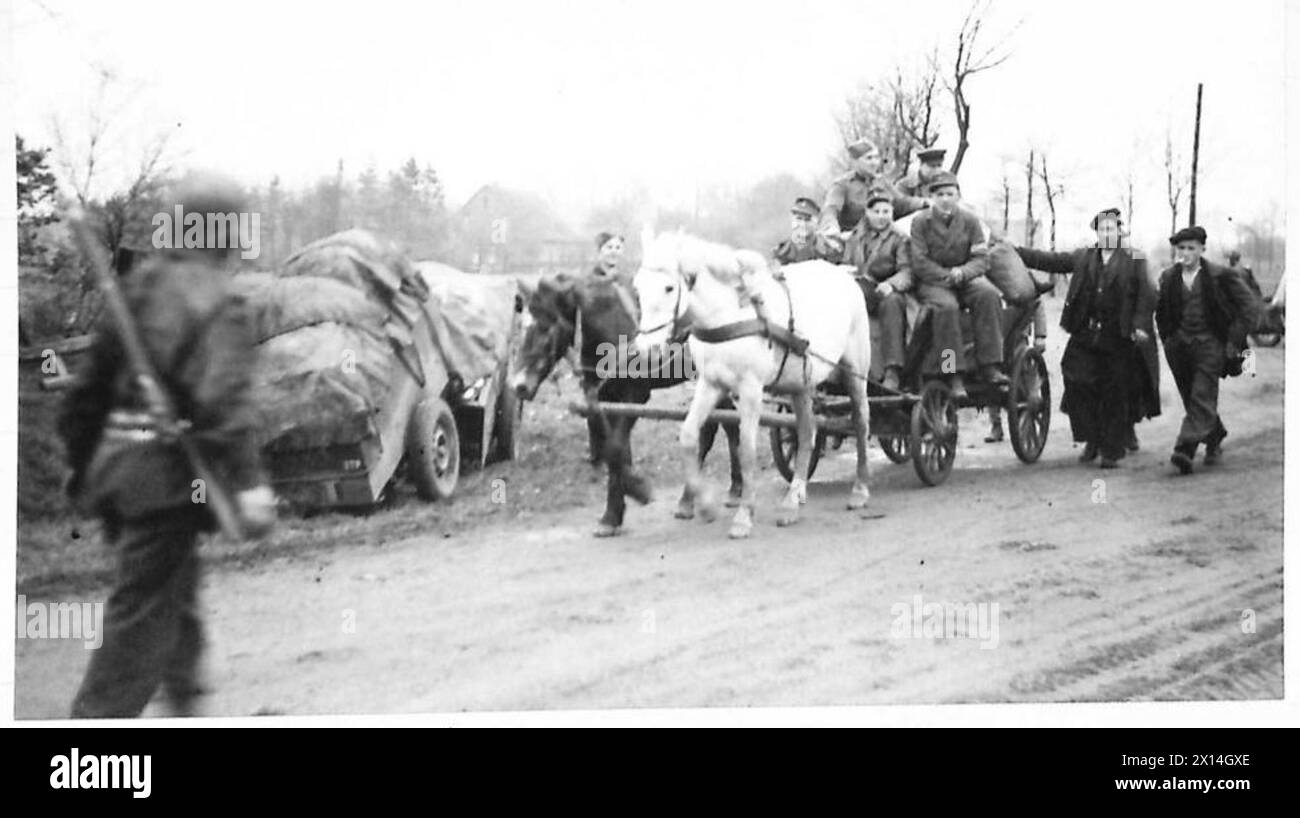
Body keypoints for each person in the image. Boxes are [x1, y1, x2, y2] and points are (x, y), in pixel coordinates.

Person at [61, 173, 276, 718]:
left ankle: (186, 701)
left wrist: (83, 469)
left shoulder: (137, 288)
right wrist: (249, 484)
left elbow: (84, 399)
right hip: (169, 484)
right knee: (142, 612)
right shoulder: (219, 301)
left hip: (117, 476)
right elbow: (225, 404)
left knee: (171, 588)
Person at [1015, 208, 1156, 468]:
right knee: (1075, 379)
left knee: (1114, 391)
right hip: (1086, 334)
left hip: (1119, 336)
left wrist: (1139, 326)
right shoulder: (1085, 257)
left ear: (1120, 231)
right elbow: (1052, 261)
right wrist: (1017, 252)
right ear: (1097, 233)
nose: (1106, 234)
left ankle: (1111, 452)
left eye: (1111, 229)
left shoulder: (1135, 259)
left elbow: (1146, 295)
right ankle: (1092, 438)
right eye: (1102, 230)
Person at [1156, 226, 1259, 474]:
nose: (1186, 253)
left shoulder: (1220, 275)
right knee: (1192, 397)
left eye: (1191, 248)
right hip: (1179, 348)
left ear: (1202, 249)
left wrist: (1232, 341)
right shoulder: (1169, 277)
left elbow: (1250, 309)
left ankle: (1184, 450)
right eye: (1181, 248)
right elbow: (1161, 313)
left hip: (1211, 346)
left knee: (1202, 394)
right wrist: (1168, 339)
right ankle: (1214, 437)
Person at [908, 171, 1007, 399]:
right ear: (931, 196)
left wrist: (963, 272)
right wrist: (946, 276)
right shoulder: (920, 222)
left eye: (950, 193)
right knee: (947, 309)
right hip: (933, 282)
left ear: (958, 195)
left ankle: (990, 364)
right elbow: (919, 261)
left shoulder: (970, 221)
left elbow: (982, 258)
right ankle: (952, 373)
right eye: (939, 194)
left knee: (989, 294)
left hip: (964, 278)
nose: (945, 199)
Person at [845, 192, 913, 391]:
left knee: (892, 303)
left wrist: (891, 284)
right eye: (876, 212)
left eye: (886, 211)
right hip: (860, 286)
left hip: (888, 289)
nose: (882, 216)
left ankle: (892, 370)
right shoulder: (856, 236)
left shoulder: (900, 238)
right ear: (867, 213)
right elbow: (847, 262)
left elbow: (907, 270)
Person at [819, 138, 928, 255]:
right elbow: (831, 209)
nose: (874, 162)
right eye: (869, 158)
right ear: (855, 162)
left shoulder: (882, 182)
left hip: (886, 242)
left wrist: (924, 203)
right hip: (856, 245)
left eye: (876, 157)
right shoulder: (842, 185)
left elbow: (902, 203)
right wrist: (831, 228)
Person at [772, 197, 842, 264]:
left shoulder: (831, 250)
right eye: (798, 219)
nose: (803, 224)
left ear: (816, 223)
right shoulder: (780, 252)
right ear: (791, 220)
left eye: (808, 220)